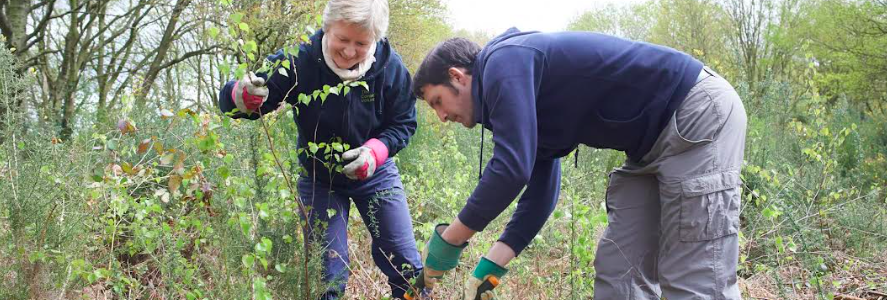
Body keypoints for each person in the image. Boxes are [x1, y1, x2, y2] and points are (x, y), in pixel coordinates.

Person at [408, 28, 746, 300]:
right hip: (647, 148)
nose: (441, 116)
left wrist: (448, 241)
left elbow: (511, 169)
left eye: (438, 101)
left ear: (458, 76)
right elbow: (540, 195)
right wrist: (488, 271)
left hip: (695, 114)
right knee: (619, 273)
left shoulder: (504, 60)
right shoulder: (518, 95)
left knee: (694, 279)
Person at [217, 0, 424, 299]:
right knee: (327, 276)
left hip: (376, 174)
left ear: (376, 40)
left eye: (362, 43)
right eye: (342, 39)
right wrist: (239, 96)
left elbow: (404, 123)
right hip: (319, 179)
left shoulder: (391, 69)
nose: (350, 51)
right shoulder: (299, 61)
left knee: (407, 267)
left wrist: (375, 152)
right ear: (328, 28)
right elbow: (248, 100)